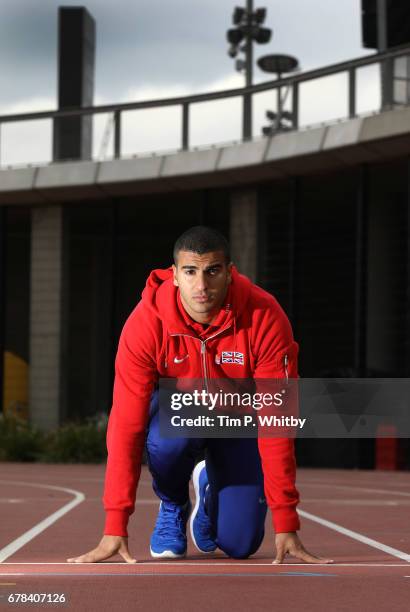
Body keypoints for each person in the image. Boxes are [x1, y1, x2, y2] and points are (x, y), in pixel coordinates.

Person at [68, 226, 332, 565]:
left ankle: (209, 489)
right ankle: (175, 501)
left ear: (229, 272)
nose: (202, 285)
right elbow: (126, 426)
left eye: (212, 271)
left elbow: (276, 420)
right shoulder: (146, 324)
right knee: (167, 441)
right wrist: (114, 526)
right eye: (191, 272)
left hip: (238, 420)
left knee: (241, 544)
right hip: (179, 416)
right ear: (175, 275)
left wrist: (286, 522)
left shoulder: (265, 318)